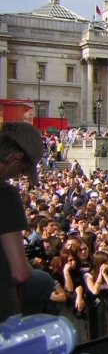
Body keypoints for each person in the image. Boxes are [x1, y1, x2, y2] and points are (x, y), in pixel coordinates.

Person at [0, 122, 42, 321]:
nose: (21, 175)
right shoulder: (5, 195)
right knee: (42, 282)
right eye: (24, 168)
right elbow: (20, 273)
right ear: (16, 157)